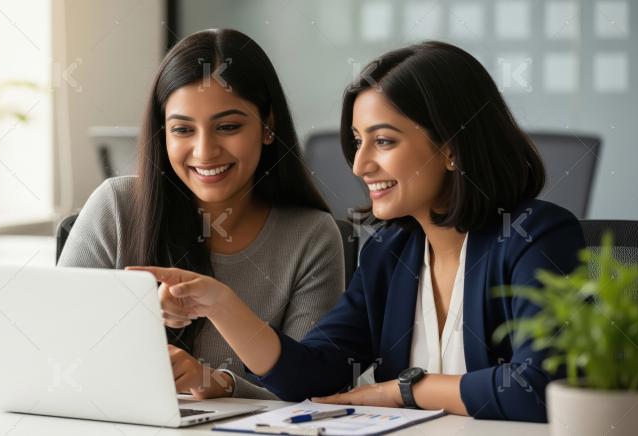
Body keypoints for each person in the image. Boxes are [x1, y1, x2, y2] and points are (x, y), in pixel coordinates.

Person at [136, 41, 585, 422]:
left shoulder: (535, 236)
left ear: (451, 148)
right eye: (358, 139)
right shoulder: (390, 253)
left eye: (384, 141)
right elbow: (310, 376)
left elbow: (539, 387)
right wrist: (221, 304)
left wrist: (402, 392)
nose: (359, 164)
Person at [58, 29, 345, 400]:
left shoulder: (311, 236)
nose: (205, 151)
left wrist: (216, 382)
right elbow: (55, 351)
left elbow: (311, 391)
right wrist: (141, 315)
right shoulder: (116, 205)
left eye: (228, 127)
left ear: (268, 127)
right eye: (182, 130)